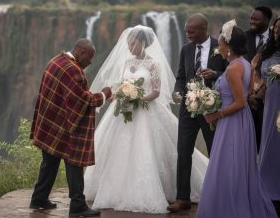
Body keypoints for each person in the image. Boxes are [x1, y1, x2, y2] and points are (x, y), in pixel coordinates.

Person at [84, 25, 209, 214]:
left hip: (145, 110)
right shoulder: (126, 63)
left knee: (150, 148)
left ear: (142, 43)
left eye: (133, 44)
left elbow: (157, 91)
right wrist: (120, 96)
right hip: (124, 111)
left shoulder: (153, 64)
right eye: (128, 44)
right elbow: (119, 86)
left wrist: (138, 100)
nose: (130, 47)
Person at [196, 19, 277, 218]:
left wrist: (216, 113)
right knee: (239, 167)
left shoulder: (233, 69)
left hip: (231, 122)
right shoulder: (245, 64)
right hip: (243, 121)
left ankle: (228, 209)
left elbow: (240, 102)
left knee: (227, 167)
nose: (219, 47)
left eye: (221, 44)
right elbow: (249, 92)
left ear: (229, 47)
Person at [29, 39, 112, 217]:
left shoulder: (55, 61)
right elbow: (82, 100)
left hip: (49, 124)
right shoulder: (73, 71)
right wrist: (104, 95)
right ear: (81, 53)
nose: (91, 62)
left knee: (49, 162)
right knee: (74, 164)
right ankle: (78, 206)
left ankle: (39, 198)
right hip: (64, 128)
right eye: (90, 58)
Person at [167, 14, 227, 212]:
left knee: (214, 152)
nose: (187, 34)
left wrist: (215, 74)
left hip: (211, 109)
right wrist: (178, 91)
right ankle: (182, 198)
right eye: (186, 30)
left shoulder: (222, 47)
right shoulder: (186, 49)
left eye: (191, 31)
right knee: (183, 151)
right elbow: (181, 76)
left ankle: (218, 195)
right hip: (188, 110)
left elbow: (232, 73)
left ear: (204, 29)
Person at [259, 16, 280, 216]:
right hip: (270, 105)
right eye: (275, 30)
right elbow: (258, 73)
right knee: (270, 143)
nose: (277, 34)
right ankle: (267, 188)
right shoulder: (268, 52)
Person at [245, 6, 273, 152]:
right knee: (251, 141)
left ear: (267, 20)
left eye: (256, 19)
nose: (252, 22)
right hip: (248, 98)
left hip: (270, 96)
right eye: (251, 18)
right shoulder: (244, 37)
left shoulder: (276, 38)